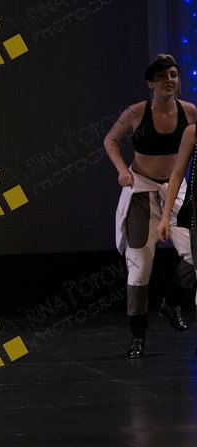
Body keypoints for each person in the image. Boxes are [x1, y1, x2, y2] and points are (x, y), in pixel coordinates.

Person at [103, 53, 197, 358]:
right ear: (150, 83)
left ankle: (172, 302)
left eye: (173, 75)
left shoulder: (190, 113)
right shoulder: (136, 112)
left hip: (175, 190)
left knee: (194, 255)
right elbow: (110, 140)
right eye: (161, 77)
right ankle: (138, 335)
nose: (168, 80)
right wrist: (122, 170)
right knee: (139, 265)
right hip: (142, 189)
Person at [157, 122, 197, 312]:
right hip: (194, 211)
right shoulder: (193, 131)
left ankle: (171, 302)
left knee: (191, 260)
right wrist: (165, 216)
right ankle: (171, 302)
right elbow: (177, 174)